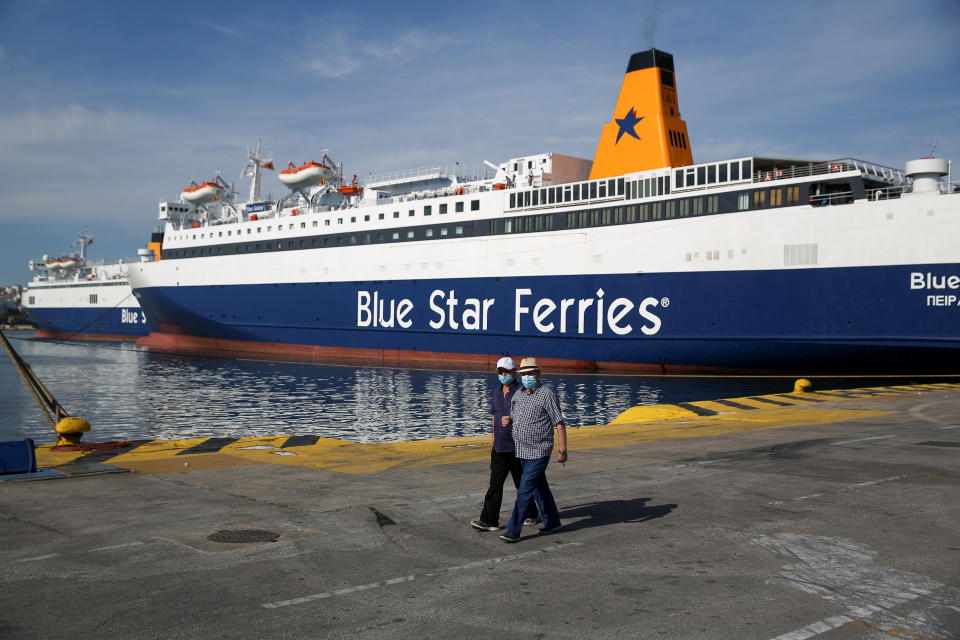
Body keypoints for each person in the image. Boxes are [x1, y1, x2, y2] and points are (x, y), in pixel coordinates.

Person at [499, 357, 567, 543]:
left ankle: (513, 530)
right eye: (524, 374)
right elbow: (514, 416)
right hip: (521, 450)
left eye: (530, 373)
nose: (527, 377)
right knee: (539, 488)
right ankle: (552, 521)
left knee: (524, 490)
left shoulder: (547, 394)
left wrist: (562, 450)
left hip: (539, 451)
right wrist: (508, 420)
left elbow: (559, 423)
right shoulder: (518, 394)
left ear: (538, 374)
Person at [470, 356, 539, 532]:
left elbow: (530, 416)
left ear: (514, 372)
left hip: (518, 446)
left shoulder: (523, 391)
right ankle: (489, 521)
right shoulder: (495, 392)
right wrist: (493, 441)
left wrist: (513, 420)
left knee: (521, 484)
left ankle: (531, 513)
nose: (503, 374)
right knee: (495, 485)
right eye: (500, 371)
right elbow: (494, 416)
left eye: (506, 371)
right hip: (499, 447)